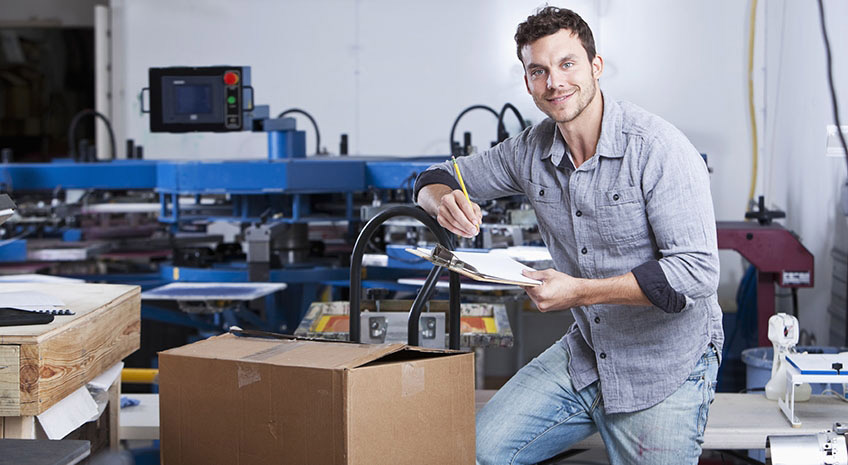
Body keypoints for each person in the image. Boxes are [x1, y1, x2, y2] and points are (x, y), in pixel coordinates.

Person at [413, 6, 723, 465]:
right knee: (474, 454)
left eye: (567, 64)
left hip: (666, 363)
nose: (554, 82)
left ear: (596, 67)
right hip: (589, 353)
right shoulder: (529, 149)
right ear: (527, 82)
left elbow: (696, 274)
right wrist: (442, 201)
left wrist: (579, 292)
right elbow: (433, 176)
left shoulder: (657, 148)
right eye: (539, 70)